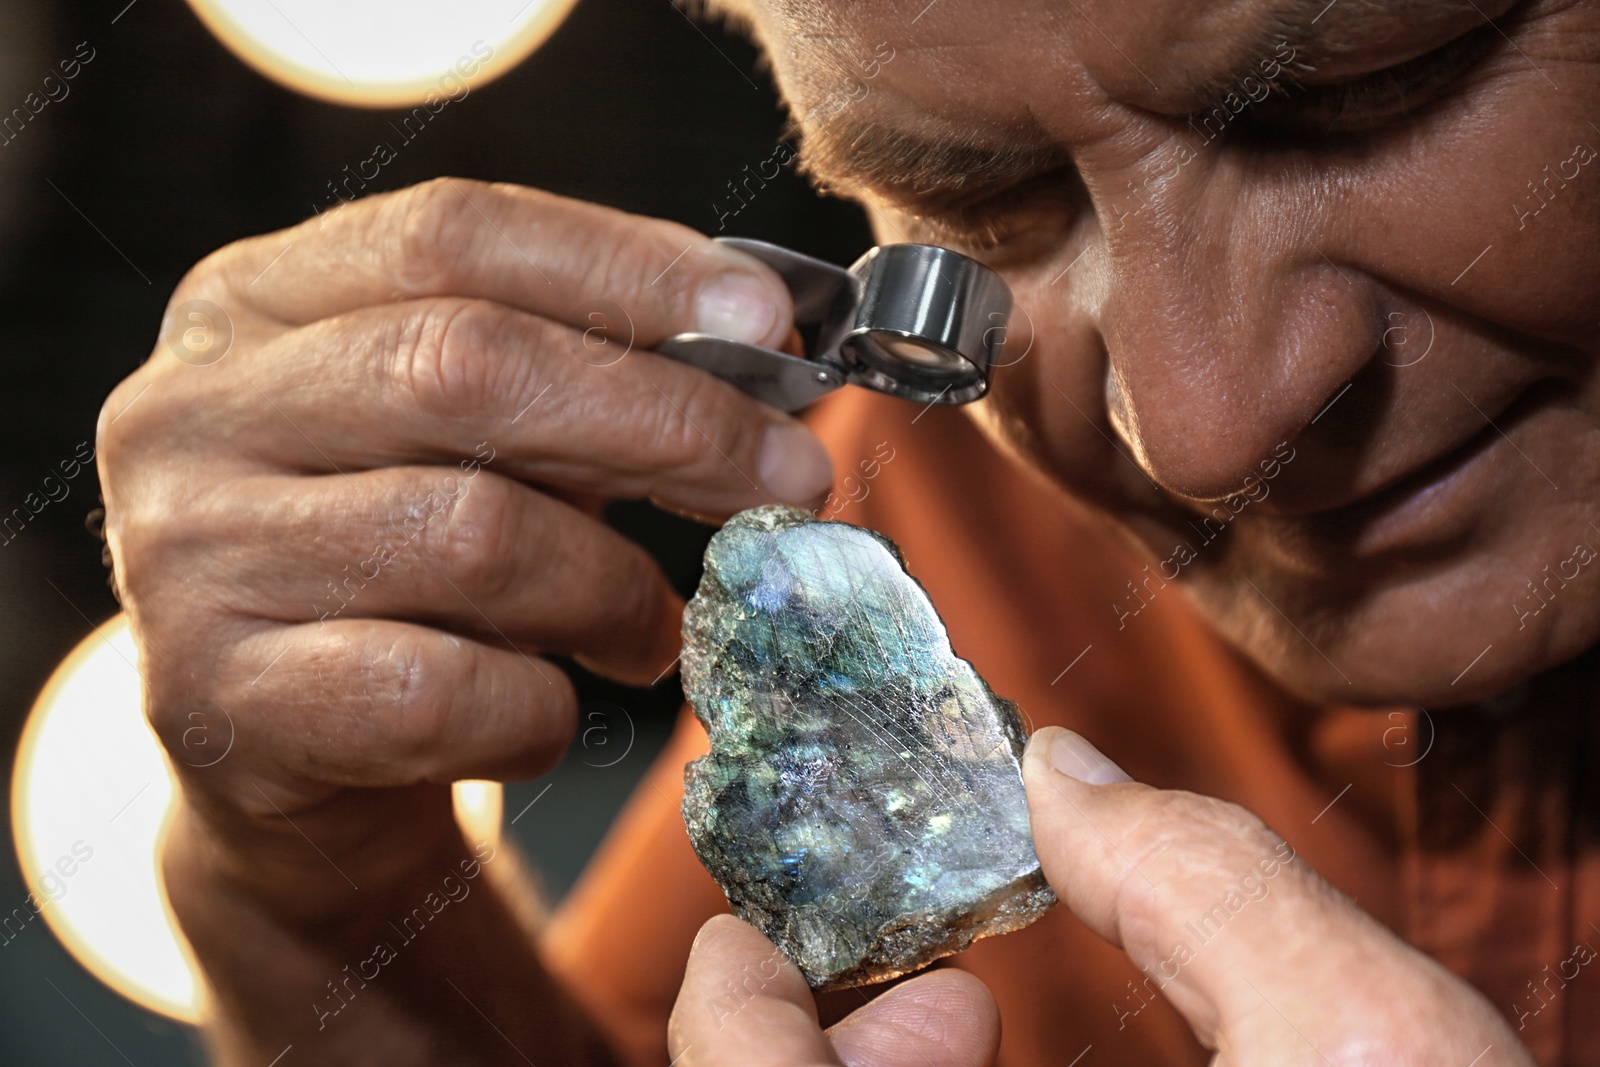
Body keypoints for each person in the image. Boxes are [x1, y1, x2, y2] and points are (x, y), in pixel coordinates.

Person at [93, 0, 1599, 1061]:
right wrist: (310, 884)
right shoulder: (921, 530)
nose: (1208, 436)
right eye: (986, 200)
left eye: (1370, 86)